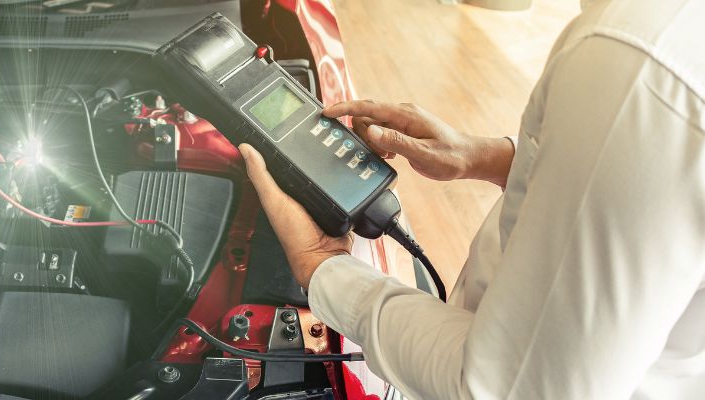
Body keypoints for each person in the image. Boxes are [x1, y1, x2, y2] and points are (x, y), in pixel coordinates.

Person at [237, 0, 705, 398]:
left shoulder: (637, 59)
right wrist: (497, 160)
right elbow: (659, 195)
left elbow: (505, 389)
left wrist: (324, 268)